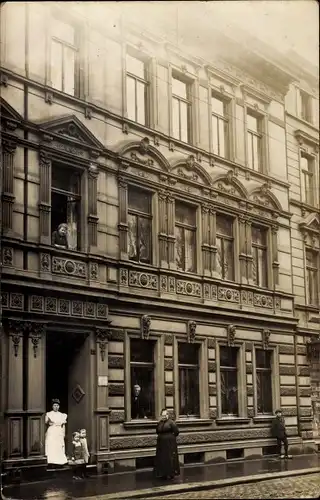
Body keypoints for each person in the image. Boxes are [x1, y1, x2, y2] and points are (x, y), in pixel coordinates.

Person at [154, 408, 180, 480]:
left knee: (169, 458)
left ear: (168, 415)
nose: (164, 416)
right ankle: (163, 473)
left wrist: (170, 438)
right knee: (162, 458)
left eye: (165, 415)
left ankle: (171, 474)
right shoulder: (160, 423)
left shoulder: (171, 422)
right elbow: (157, 431)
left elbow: (176, 432)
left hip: (169, 443)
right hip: (161, 444)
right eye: (162, 415)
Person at [45, 399, 68, 466]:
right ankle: (51, 461)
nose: (56, 407)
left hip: (59, 431)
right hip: (52, 431)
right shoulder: (49, 414)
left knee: (58, 445)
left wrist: (63, 433)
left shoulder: (62, 415)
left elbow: (63, 425)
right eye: (54, 405)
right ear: (52, 406)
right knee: (52, 445)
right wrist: (48, 422)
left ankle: (59, 461)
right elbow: (46, 422)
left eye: (57, 405)